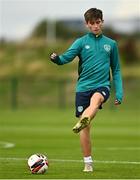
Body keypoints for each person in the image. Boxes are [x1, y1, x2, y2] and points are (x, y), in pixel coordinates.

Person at [50, 8, 123, 172]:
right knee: (85, 129)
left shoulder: (111, 44)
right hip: (83, 87)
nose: (96, 26)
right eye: (92, 23)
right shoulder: (81, 42)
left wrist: (119, 92)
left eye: (98, 22)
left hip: (102, 85)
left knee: (96, 100)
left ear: (102, 22)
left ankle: (85, 118)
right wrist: (56, 59)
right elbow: (66, 58)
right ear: (87, 24)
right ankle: (88, 163)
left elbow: (116, 70)